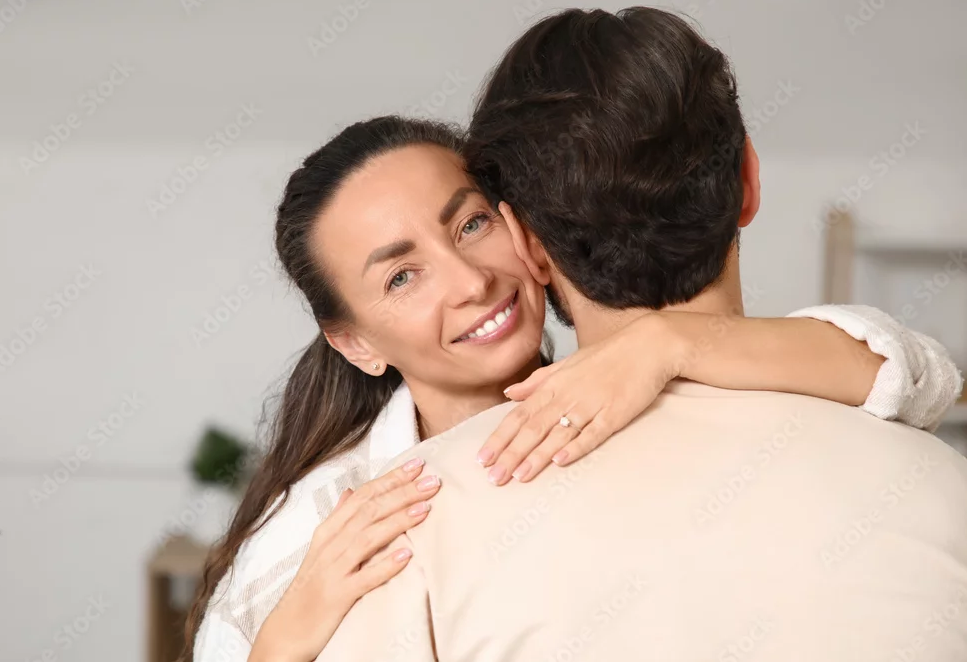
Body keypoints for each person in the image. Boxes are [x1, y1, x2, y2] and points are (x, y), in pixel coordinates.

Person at [187, 84, 963, 662]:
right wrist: (282, 639)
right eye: (402, 276)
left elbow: (923, 376)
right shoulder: (325, 527)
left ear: (525, 228)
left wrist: (671, 342)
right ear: (355, 342)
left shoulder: (637, 388)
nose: (470, 280)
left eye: (471, 223)